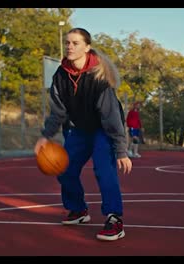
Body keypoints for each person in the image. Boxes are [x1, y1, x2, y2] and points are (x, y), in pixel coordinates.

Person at [34, 28, 131, 242]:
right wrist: (45, 136)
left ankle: (115, 219)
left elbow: (112, 117)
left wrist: (121, 151)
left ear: (87, 47)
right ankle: (78, 210)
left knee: (104, 170)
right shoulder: (60, 75)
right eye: (67, 42)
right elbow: (58, 111)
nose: (69, 46)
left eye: (75, 43)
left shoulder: (100, 76)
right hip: (79, 129)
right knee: (64, 170)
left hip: (104, 130)